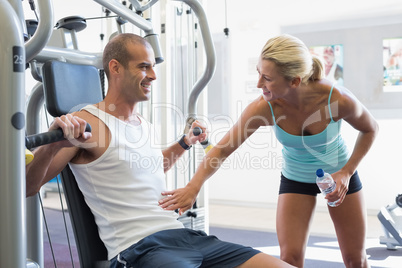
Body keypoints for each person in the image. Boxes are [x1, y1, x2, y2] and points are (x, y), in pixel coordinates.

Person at [25, 33, 293, 268]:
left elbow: (150, 167)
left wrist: (185, 142)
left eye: (153, 67)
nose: (153, 75)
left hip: (183, 236)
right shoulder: (89, 124)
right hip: (141, 249)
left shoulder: (143, 124)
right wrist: (52, 146)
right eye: (144, 67)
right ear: (115, 68)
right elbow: (26, 185)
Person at [159, 34, 379, 268]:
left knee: (355, 259)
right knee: (290, 259)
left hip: (339, 175)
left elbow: (370, 129)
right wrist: (193, 187)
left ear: (294, 81)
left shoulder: (338, 99)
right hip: (295, 177)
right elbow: (221, 150)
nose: (258, 84)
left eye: (267, 78)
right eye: (258, 73)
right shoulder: (263, 108)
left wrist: (346, 172)